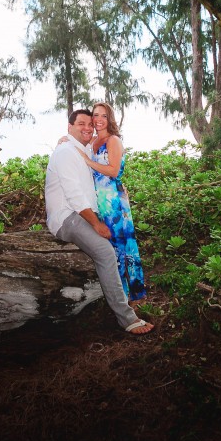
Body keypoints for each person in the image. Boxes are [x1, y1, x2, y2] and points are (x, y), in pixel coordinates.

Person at [45, 109, 154, 335]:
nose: (87, 127)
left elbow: (106, 169)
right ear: (69, 127)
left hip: (88, 212)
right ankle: (127, 319)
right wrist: (96, 224)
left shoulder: (81, 148)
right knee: (106, 252)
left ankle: (130, 295)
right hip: (67, 217)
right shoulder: (66, 152)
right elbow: (74, 196)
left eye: (90, 124)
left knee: (118, 248)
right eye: (81, 123)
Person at [79, 101, 147, 302]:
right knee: (110, 247)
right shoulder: (93, 141)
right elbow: (75, 139)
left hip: (114, 202)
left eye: (103, 116)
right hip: (100, 201)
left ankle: (131, 295)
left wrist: (88, 161)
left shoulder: (113, 140)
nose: (98, 120)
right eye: (95, 115)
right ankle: (118, 294)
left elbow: (114, 170)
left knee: (122, 247)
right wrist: (63, 140)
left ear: (110, 119)